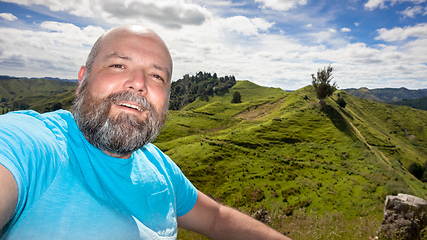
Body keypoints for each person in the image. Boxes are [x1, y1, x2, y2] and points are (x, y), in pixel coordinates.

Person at [0, 25, 291, 240]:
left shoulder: (160, 167)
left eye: (156, 76)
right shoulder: (29, 143)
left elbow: (216, 218)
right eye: (118, 65)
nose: (138, 83)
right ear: (82, 79)